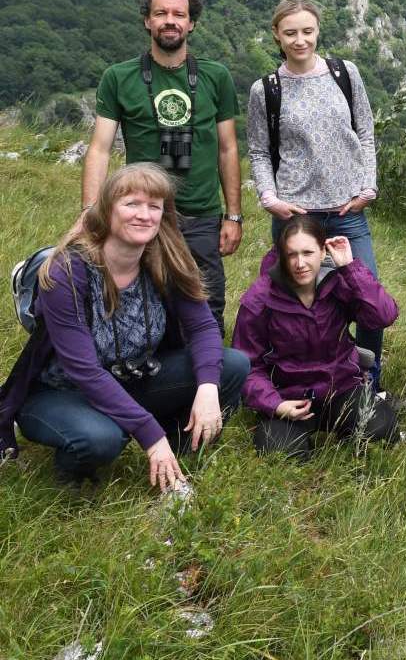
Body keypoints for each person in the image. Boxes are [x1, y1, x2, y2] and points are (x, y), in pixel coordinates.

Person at [0, 164, 249, 489]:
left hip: (133, 377)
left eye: (154, 206)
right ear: (106, 211)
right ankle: (70, 474)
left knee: (231, 366)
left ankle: (177, 464)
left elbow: (203, 327)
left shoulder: (167, 261)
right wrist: (148, 433)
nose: (144, 215)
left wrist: (207, 389)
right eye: (131, 203)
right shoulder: (67, 273)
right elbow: (84, 370)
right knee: (102, 437)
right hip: (61, 392)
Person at [82, 0, 242, 330]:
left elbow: (229, 149)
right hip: (142, 212)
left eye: (178, 14)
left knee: (208, 302)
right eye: (161, 13)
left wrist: (233, 216)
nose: (170, 20)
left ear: (192, 23)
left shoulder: (216, 77)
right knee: (144, 304)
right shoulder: (119, 78)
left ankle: (207, 379)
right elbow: (99, 148)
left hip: (201, 214)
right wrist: (91, 212)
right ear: (147, 20)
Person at [245, 0, 385, 388]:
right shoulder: (266, 89)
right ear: (276, 34)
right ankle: (295, 378)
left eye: (307, 31)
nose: (300, 40)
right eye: (290, 33)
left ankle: (367, 383)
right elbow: (258, 149)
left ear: (318, 30)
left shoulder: (344, 73)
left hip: (347, 213)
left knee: (368, 301)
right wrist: (270, 199)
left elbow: (365, 132)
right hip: (296, 217)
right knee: (293, 306)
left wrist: (368, 187)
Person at [232, 215, 400, 460]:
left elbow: (383, 315)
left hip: (341, 388)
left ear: (323, 252)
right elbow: (248, 365)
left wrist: (350, 268)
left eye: (308, 252)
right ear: (281, 256)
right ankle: (294, 435)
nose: (300, 263)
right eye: (292, 254)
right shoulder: (260, 298)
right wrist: (275, 405)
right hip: (287, 396)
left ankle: (345, 430)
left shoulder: (339, 283)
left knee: (383, 431)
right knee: (280, 453)